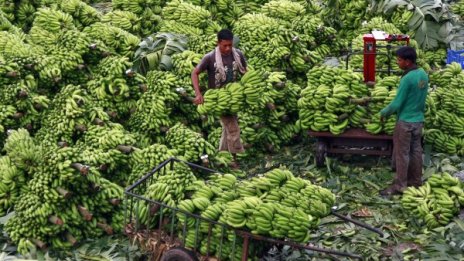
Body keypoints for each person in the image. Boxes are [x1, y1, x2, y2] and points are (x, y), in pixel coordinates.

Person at [191, 29, 247, 168]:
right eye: (224, 45)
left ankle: (222, 154)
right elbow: (195, 73)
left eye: (230, 45)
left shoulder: (238, 54)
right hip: (218, 100)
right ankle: (233, 159)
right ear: (218, 43)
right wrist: (198, 94)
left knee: (227, 127)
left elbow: (245, 72)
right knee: (233, 127)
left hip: (233, 97)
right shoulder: (210, 57)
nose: (228, 48)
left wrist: (249, 87)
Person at [380, 46, 429, 196]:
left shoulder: (407, 79)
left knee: (402, 153)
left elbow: (396, 103)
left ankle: (400, 185)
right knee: (416, 151)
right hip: (418, 121)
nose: (397, 62)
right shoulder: (423, 74)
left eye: (399, 60)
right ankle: (415, 181)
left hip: (405, 122)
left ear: (407, 62)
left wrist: (383, 113)